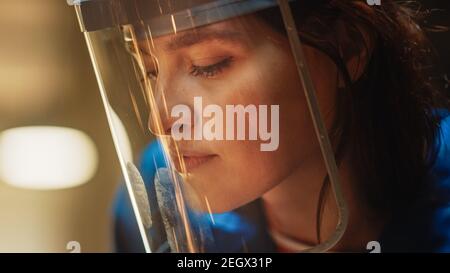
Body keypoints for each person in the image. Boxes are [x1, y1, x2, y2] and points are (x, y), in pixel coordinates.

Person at [69, 0, 450, 252]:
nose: (161, 120)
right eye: (148, 71)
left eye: (209, 63)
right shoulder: (157, 197)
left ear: (347, 48)